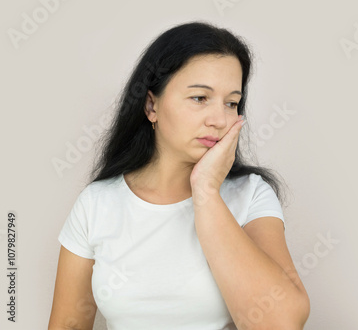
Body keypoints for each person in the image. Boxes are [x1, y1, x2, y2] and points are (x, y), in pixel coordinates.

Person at [48, 20, 310, 330]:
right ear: (151, 105)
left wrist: (207, 193)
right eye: (200, 98)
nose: (220, 119)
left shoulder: (250, 195)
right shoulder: (97, 204)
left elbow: (280, 323)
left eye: (232, 103)